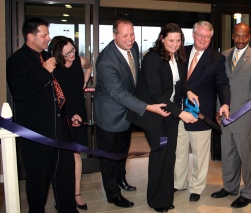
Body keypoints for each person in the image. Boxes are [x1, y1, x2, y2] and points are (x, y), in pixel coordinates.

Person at [94, 18, 170, 208]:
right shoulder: (106, 61)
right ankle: (113, 194)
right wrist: (147, 107)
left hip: (128, 112)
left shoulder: (134, 47)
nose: (130, 39)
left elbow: (136, 76)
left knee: (122, 151)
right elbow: (118, 93)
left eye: (132, 34)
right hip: (110, 116)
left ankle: (121, 179)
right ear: (114, 36)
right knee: (109, 157)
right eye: (125, 35)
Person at [6, 17, 79, 212]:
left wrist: (70, 113)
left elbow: (61, 90)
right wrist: (44, 72)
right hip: (37, 136)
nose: (48, 38)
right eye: (44, 34)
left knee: (65, 181)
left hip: (60, 132)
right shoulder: (16, 61)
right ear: (30, 36)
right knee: (37, 186)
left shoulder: (49, 57)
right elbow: (20, 93)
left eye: (48, 33)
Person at [126, 23, 199, 212]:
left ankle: (166, 197)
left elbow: (181, 82)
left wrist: (189, 91)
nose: (175, 44)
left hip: (169, 114)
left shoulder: (178, 57)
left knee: (169, 155)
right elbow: (156, 93)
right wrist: (181, 113)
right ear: (162, 39)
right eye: (171, 40)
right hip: (155, 115)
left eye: (178, 40)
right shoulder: (152, 58)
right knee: (160, 153)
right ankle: (156, 200)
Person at [211, 22, 251, 208]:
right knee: (228, 154)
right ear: (233, 36)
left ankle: (248, 192)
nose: (241, 40)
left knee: (247, 156)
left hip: (245, 115)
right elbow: (220, 84)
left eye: (245, 36)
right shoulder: (224, 55)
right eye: (238, 36)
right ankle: (230, 187)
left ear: (249, 37)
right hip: (225, 114)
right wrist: (218, 109)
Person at [174, 21, 230, 202]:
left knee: (200, 154)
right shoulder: (181, 52)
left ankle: (197, 187)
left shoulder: (217, 58)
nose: (203, 39)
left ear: (211, 37)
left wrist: (225, 103)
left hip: (200, 113)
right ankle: (178, 183)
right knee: (179, 151)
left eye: (207, 36)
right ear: (193, 35)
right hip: (179, 111)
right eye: (200, 35)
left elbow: (222, 83)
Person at [50, 35, 93, 210]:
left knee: (76, 154)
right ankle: (61, 194)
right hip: (62, 114)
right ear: (58, 54)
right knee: (62, 157)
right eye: (67, 53)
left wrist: (84, 81)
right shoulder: (53, 68)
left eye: (73, 50)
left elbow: (89, 65)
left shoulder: (79, 61)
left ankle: (76, 193)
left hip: (79, 112)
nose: (72, 55)